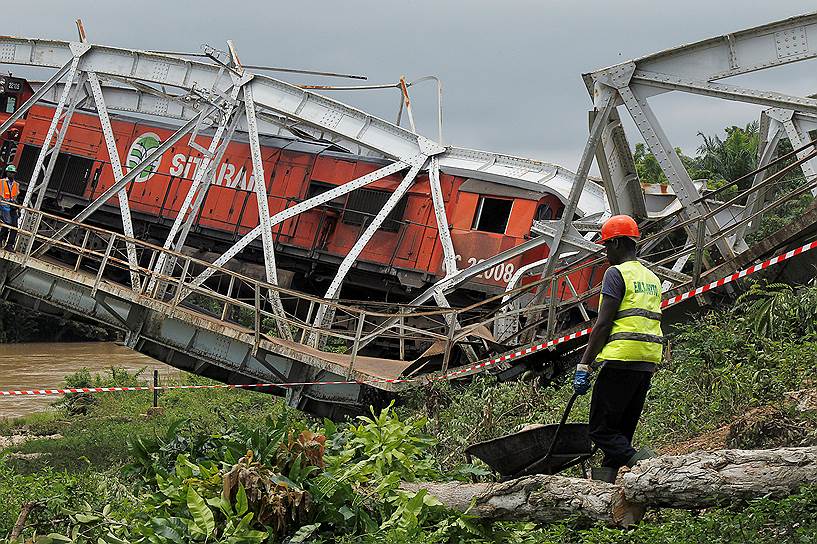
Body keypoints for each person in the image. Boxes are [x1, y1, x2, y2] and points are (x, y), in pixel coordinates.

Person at [572, 214, 662, 483]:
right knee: (620, 432)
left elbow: (602, 324)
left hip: (620, 359)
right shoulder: (651, 277)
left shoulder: (616, 273)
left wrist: (584, 365)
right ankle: (604, 493)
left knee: (600, 431)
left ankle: (652, 466)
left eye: (607, 246)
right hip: (646, 363)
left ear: (620, 243)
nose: (606, 253)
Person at [0, 164, 20, 251]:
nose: (12, 174)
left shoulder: (16, 184)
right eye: (10, 172)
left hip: (12, 207)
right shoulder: (1, 182)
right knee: (7, 223)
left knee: (14, 226)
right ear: (7, 173)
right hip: (3, 206)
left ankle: (9, 245)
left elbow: (15, 197)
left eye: (13, 173)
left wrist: (17, 206)